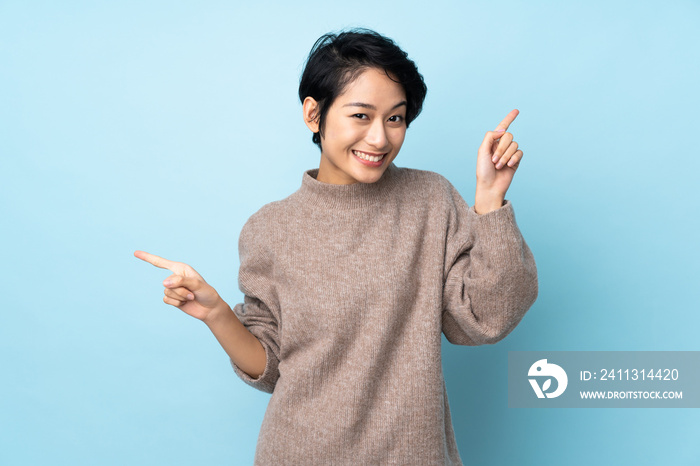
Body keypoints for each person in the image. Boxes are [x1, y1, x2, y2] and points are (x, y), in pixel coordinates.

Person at [135, 27, 538, 465]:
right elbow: (270, 368)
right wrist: (215, 314)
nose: (380, 138)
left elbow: (484, 318)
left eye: (395, 118)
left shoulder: (431, 200)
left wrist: (489, 199)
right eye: (361, 116)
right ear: (314, 114)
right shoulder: (270, 228)